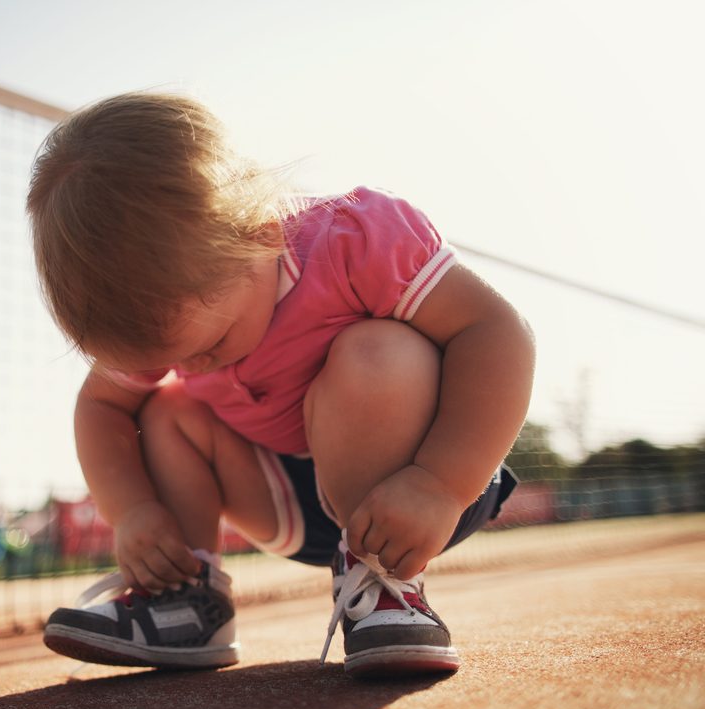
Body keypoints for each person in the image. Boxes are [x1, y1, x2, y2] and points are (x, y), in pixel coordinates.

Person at [27, 92, 534, 677]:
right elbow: (102, 406)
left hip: (424, 485)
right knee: (163, 408)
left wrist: (441, 483)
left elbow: (497, 331)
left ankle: (386, 587)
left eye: (209, 348)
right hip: (288, 501)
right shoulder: (171, 301)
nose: (201, 367)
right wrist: (133, 511)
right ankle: (189, 598)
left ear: (263, 235)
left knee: (377, 351)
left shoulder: (356, 240)